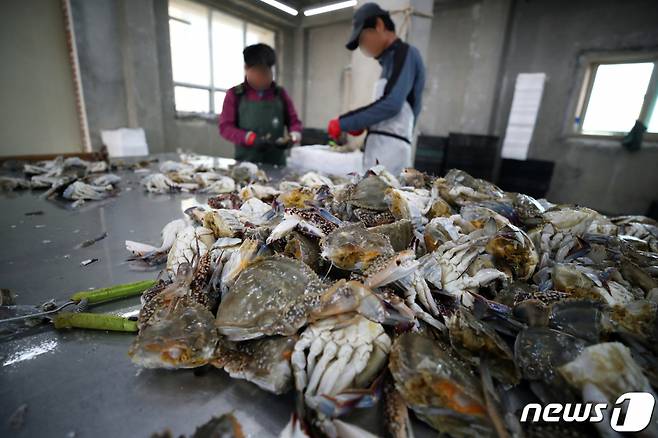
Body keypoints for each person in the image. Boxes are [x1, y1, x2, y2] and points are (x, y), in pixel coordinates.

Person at [326, 3, 425, 176]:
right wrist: (366, 124)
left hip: (392, 155)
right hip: (378, 153)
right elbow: (387, 109)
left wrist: (344, 122)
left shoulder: (405, 53)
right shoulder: (389, 63)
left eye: (362, 39)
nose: (363, 48)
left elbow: (392, 104)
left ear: (379, 25)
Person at [219, 43, 302, 165]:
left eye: (267, 72)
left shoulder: (279, 93)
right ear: (247, 68)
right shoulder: (235, 94)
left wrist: (293, 137)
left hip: (276, 164)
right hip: (245, 163)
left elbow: (294, 122)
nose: (264, 77)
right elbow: (225, 127)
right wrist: (249, 138)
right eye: (259, 72)